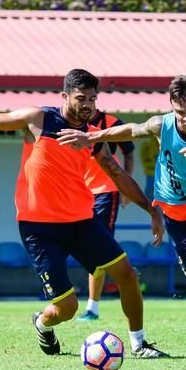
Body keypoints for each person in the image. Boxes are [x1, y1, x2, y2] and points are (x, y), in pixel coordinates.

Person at [0, 69, 167, 358]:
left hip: (81, 221)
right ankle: (42, 322)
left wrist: (150, 209)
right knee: (67, 308)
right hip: (39, 228)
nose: (88, 105)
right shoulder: (39, 119)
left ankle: (139, 344)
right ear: (64, 96)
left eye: (92, 98)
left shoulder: (91, 136)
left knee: (126, 274)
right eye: (81, 98)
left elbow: (116, 172)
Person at [58, 75, 186, 362]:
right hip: (180, 218)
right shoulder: (160, 125)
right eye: (180, 112)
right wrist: (91, 137)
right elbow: (130, 130)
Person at [76, 116, 135, 322]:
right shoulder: (67, 122)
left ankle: (93, 307)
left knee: (98, 246)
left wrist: (126, 188)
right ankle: (124, 269)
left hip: (106, 191)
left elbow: (129, 153)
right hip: (82, 193)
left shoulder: (111, 122)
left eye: (90, 97)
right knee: (87, 246)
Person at [140, 136, 159, 201]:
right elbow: (144, 157)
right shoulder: (148, 144)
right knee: (150, 193)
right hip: (151, 173)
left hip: (162, 176)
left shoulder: (166, 142)